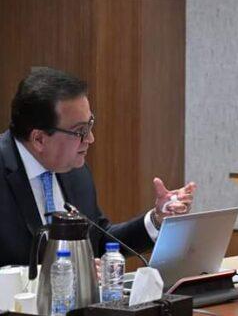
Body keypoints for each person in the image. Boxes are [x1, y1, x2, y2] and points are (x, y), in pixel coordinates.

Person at [0, 67, 196, 267]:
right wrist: (60, 274)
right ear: (39, 139)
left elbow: (99, 241)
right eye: (80, 131)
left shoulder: (75, 171)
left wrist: (157, 219)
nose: (90, 139)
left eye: (90, 125)